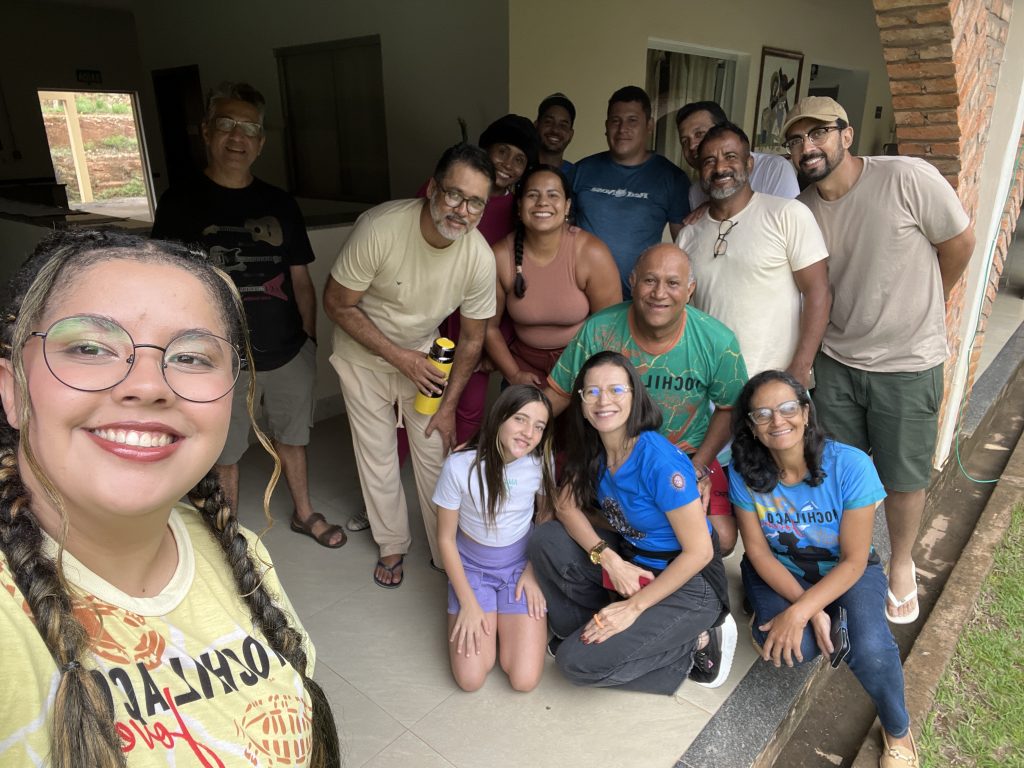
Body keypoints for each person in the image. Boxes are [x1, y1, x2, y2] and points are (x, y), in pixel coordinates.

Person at [0, 230, 339, 767]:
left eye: (191, 357)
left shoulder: (241, 553)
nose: (148, 385)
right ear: (13, 388)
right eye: (90, 348)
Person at [782, 96, 976, 623]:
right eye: (796, 140)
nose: (807, 146)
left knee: (903, 477)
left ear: (846, 135)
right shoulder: (802, 210)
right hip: (837, 360)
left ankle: (902, 562)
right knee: (839, 470)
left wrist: (926, 304)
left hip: (907, 362)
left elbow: (960, 243)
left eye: (818, 133)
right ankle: (852, 558)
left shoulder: (906, 178)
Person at [151, 81, 343, 549]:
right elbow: (164, 284)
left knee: (293, 438)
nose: (237, 137)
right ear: (206, 131)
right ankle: (229, 534)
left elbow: (300, 279)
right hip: (218, 359)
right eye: (227, 124)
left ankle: (304, 513)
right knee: (226, 451)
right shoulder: (180, 202)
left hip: (287, 351)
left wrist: (308, 343)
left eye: (250, 128)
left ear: (261, 142)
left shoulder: (280, 204)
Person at [324, 143, 497, 588]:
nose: (462, 211)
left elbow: (473, 339)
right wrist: (400, 357)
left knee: (434, 451)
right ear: (433, 188)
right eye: (454, 194)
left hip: (424, 357)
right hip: (363, 357)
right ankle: (392, 544)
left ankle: (445, 549)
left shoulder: (478, 256)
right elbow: (337, 303)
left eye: (475, 202)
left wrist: (448, 406)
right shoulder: (381, 227)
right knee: (378, 455)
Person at [729, 370, 917, 767]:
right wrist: (810, 611)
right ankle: (785, 611)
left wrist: (799, 611)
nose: (777, 421)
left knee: (871, 648)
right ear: (751, 426)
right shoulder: (742, 471)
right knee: (796, 648)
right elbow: (759, 553)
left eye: (787, 408)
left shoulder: (849, 465)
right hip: (779, 568)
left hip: (846, 570)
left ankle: (898, 731)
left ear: (805, 412)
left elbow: (853, 559)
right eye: (763, 414)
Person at [529, 352, 736, 693]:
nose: (603, 401)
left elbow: (699, 552)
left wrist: (633, 608)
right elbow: (564, 506)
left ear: (634, 395)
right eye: (592, 392)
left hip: (688, 581)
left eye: (615, 390)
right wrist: (609, 559)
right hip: (634, 561)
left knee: (575, 663)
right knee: (547, 539)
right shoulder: (596, 444)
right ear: (581, 402)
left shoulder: (658, 461)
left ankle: (695, 642)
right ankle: (599, 632)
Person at [546, 244, 748, 555]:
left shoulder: (717, 341)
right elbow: (559, 394)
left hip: (684, 453)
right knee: (562, 515)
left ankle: (639, 537)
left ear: (690, 289)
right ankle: (626, 543)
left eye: (673, 283)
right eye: (650, 280)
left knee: (720, 537)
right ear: (633, 281)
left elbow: (730, 408)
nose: (659, 293)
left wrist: (698, 467)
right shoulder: (600, 329)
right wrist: (514, 427)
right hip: (609, 453)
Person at [676, 122, 830, 385]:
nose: (720, 168)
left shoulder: (787, 215)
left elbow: (818, 292)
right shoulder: (688, 235)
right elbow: (684, 315)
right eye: (709, 161)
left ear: (749, 164)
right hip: (708, 384)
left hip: (773, 383)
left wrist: (800, 368)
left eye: (730, 157)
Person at [434, 385, 558, 692]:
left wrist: (533, 570)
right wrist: (468, 603)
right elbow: (446, 539)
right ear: (500, 416)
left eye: (539, 426)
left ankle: (508, 618)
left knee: (524, 680)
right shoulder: (459, 465)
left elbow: (545, 515)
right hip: (472, 569)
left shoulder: (541, 461)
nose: (528, 433)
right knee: (470, 679)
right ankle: (489, 610)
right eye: (520, 419)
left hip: (520, 566)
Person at [487, 164, 622, 387]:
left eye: (553, 195)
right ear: (519, 206)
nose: (542, 202)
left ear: (567, 206)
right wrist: (514, 374)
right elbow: (488, 327)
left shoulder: (590, 252)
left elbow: (610, 328)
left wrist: (585, 376)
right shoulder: (500, 256)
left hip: (581, 364)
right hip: (523, 365)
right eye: (532, 195)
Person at [572, 86, 691, 297]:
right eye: (615, 121)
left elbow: (684, 246)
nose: (622, 129)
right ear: (606, 126)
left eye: (632, 121)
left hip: (639, 300)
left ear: (649, 126)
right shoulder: (581, 170)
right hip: (579, 297)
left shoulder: (671, 178)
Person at [675, 100, 799, 215]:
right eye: (684, 141)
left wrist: (713, 209)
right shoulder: (695, 192)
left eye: (699, 134)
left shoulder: (774, 169)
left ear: (723, 129)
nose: (691, 146)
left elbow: (788, 222)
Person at [535, 92, 577, 178]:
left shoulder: (577, 176)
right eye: (548, 122)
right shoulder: (519, 170)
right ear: (536, 126)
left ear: (571, 134)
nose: (555, 130)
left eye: (563, 125)